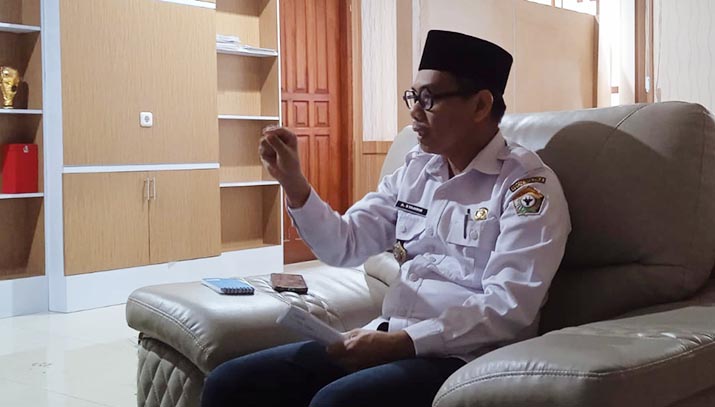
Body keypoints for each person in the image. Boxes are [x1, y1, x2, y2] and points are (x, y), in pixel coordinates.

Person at [201, 29, 571, 407]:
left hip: (465, 358)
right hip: (390, 334)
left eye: (429, 98)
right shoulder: (416, 171)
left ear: (480, 105)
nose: (414, 111)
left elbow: (509, 305)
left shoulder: (525, 187)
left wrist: (405, 342)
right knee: (231, 382)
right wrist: (295, 185)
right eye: (413, 96)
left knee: (337, 402)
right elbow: (344, 245)